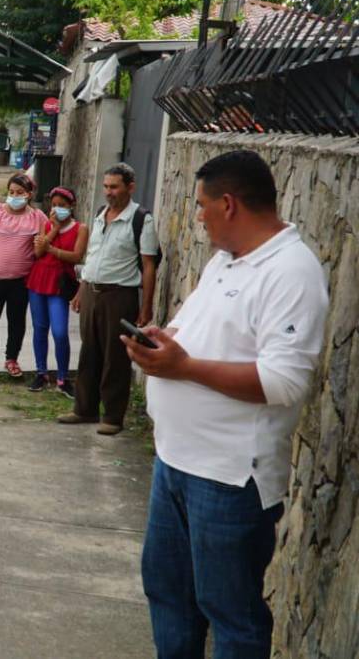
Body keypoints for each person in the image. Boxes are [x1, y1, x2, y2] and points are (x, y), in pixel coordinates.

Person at [121, 150, 327, 659]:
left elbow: (282, 381)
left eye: (201, 205)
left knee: (230, 614)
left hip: (230, 477)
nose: (197, 216)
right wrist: (163, 340)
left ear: (229, 204)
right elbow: (191, 329)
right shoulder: (225, 261)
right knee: (169, 595)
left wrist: (183, 367)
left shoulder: (291, 272)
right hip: (174, 462)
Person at [57, 163, 157, 435]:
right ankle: (84, 409)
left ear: (130, 187)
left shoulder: (141, 220)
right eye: (106, 186)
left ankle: (112, 416)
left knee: (116, 357)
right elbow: (94, 257)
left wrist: (146, 306)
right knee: (89, 352)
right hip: (92, 292)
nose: (109, 192)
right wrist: (81, 290)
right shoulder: (101, 214)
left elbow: (149, 265)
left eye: (114, 187)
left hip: (119, 295)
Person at [0, 173, 48, 379]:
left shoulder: (37, 217)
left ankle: (11, 359)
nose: (14, 196)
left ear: (29, 194)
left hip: (21, 281)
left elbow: (41, 247)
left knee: (17, 322)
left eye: (20, 193)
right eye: (11, 192)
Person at [26, 186, 87, 395]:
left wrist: (51, 249)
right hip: (38, 279)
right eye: (54, 205)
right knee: (40, 328)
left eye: (62, 205)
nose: (57, 209)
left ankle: (63, 377)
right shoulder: (45, 224)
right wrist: (53, 229)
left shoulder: (80, 228)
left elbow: (76, 256)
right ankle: (41, 372)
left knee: (60, 332)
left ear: (71, 206)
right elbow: (37, 252)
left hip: (60, 283)